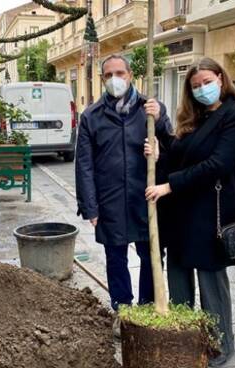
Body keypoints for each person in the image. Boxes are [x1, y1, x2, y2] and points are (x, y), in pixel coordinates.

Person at [145, 57, 235, 366]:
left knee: (211, 287)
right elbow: (180, 160)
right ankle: (184, 340)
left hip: (211, 217)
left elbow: (218, 164)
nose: (201, 89)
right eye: (195, 86)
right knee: (179, 283)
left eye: (206, 82)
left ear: (220, 78)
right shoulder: (194, 117)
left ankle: (219, 348)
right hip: (181, 216)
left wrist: (170, 186)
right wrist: (160, 151)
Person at [75, 54, 172, 318]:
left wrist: (160, 125)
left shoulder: (150, 110)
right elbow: (84, 165)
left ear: (130, 75)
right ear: (103, 79)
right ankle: (123, 309)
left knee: (151, 255)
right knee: (115, 258)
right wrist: (89, 207)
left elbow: (173, 149)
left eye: (120, 73)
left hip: (146, 197)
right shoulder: (92, 116)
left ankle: (148, 306)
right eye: (109, 75)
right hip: (110, 200)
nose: (115, 79)